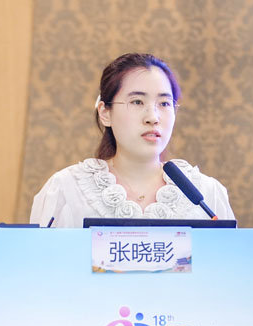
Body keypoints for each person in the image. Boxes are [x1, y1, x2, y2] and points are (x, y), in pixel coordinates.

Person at [30, 53, 235, 227]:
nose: (153, 117)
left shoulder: (206, 194)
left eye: (164, 103)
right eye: (137, 102)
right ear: (105, 113)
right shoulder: (67, 190)